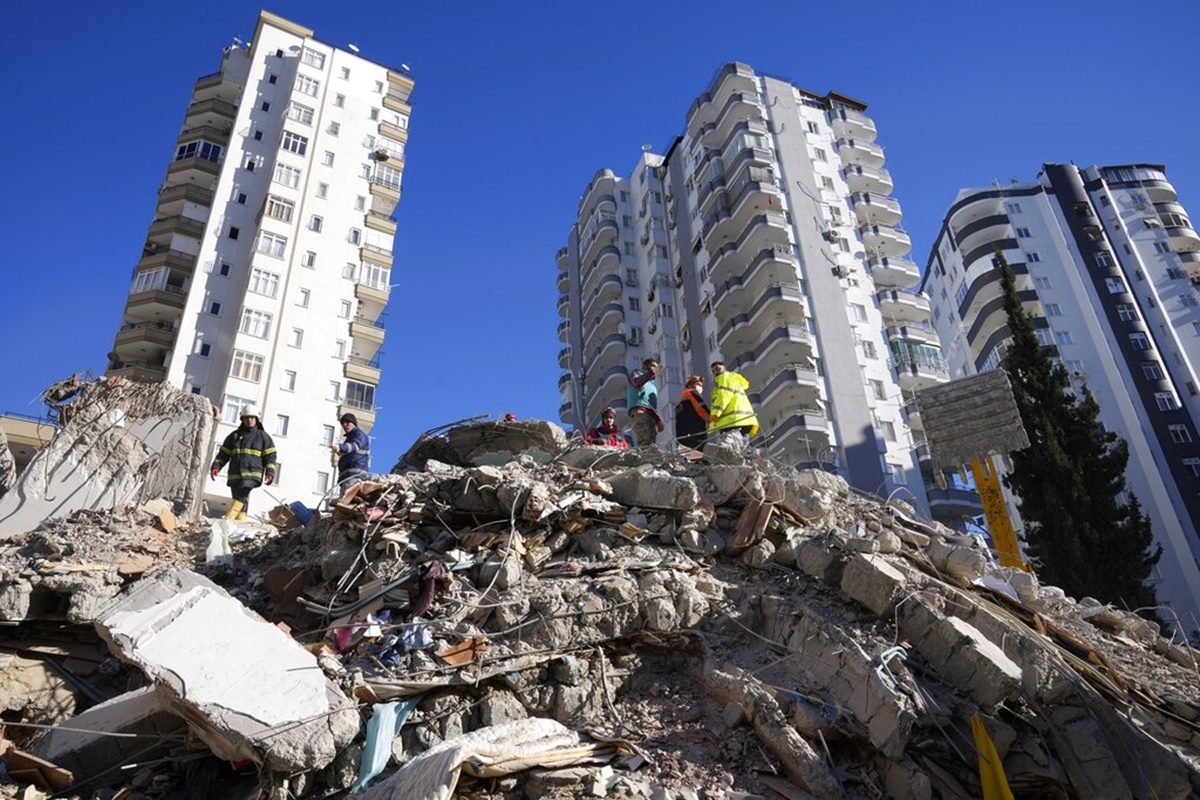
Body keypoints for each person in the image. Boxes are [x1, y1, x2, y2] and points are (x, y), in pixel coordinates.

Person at [210, 405, 277, 519]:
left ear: (256, 419)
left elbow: (270, 456)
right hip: (235, 475)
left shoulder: (263, 437)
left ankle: (229, 518)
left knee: (243, 489)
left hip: (252, 474)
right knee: (239, 498)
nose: (249, 420)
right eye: (247, 418)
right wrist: (216, 466)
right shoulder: (234, 436)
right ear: (242, 419)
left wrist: (270, 472)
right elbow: (223, 454)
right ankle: (240, 521)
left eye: (252, 417)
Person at [707, 362, 760, 447]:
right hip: (744, 420)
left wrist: (715, 414)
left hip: (732, 422)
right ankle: (749, 455)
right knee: (742, 446)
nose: (715, 372)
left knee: (730, 445)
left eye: (718, 369)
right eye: (713, 371)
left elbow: (724, 396)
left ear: (725, 369)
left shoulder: (724, 378)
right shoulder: (733, 380)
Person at [626, 358, 663, 447]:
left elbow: (653, 406)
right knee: (645, 439)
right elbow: (637, 382)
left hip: (650, 415)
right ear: (646, 366)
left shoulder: (652, 385)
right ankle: (645, 460)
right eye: (652, 366)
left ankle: (651, 460)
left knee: (652, 443)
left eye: (656, 367)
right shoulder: (637, 374)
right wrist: (651, 373)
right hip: (639, 411)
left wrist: (657, 420)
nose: (654, 368)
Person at [330, 412, 371, 490]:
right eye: (343, 424)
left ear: (354, 423)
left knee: (347, 499)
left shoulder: (359, 435)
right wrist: (339, 452)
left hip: (355, 476)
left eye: (347, 422)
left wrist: (340, 447)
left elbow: (354, 446)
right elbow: (350, 453)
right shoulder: (349, 438)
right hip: (347, 477)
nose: (345, 425)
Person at [674, 374, 709, 451]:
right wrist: (712, 420)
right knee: (701, 453)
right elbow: (701, 408)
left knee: (693, 457)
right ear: (690, 384)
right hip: (695, 432)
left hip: (683, 436)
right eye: (698, 384)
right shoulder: (692, 392)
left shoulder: (680, 399)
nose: (700, 387)